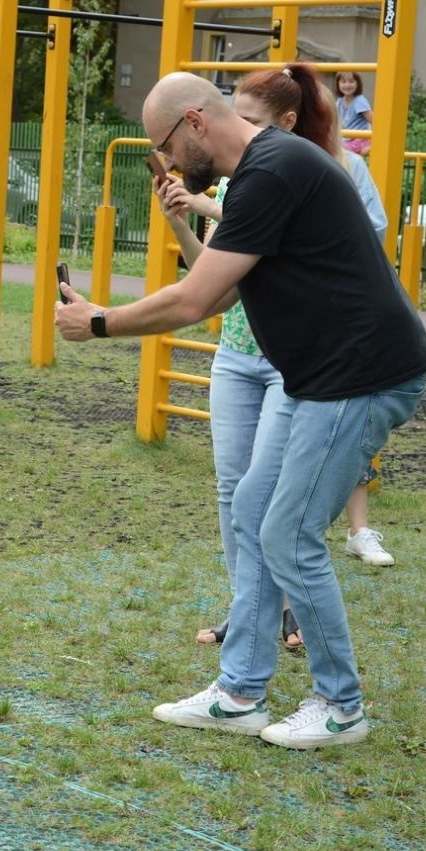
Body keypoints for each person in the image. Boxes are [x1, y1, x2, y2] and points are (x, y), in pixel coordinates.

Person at [58, 72, 426, 749]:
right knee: (257, 515)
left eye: (166, 145)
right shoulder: (260, 174)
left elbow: (194, 302)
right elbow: (227, 294)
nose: (168, 163)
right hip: (319, 377)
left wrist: (102, 321)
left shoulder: (272, 170)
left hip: (361, 376)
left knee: (288, 535)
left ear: (196, 121)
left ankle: (341, 705)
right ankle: (239, 693)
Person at [157, 64, 394, 657]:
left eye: (251, 121)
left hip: (300, 364)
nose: (238, 130)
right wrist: (182, 221)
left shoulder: (310, 171)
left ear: (285, 124)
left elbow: (317, 242)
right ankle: (252, 624)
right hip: (241, 350)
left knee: (283, 519)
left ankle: (301, 644)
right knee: (240, 496)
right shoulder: (243, 177)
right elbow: (211, 281)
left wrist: (102, 321)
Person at [334, 72, 371, 156]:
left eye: (351, 82)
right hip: (346, 139)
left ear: (357, 84)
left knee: (337, 150)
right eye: (343, 82)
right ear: (338, 84)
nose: (347, 85)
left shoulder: (359, 101)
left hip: (359, 140)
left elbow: (375, 122)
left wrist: (372, 143)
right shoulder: (340, 101)